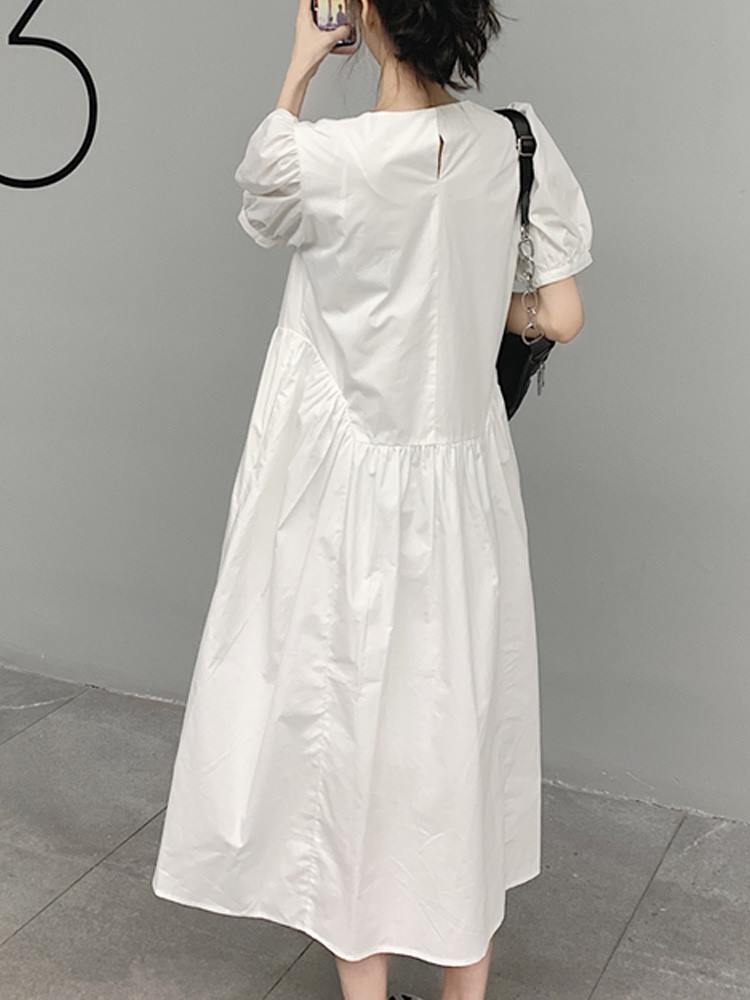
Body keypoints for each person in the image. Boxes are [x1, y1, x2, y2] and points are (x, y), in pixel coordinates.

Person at [151, 1, 594, 999]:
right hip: (465, 491)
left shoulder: (322, 159)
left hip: (347, 498)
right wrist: (475, 297)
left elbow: (263, 203)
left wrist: (301, 64)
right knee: (457, 728)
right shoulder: (517, 143)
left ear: (369, 18)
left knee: (349, 731)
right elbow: (562, 314)